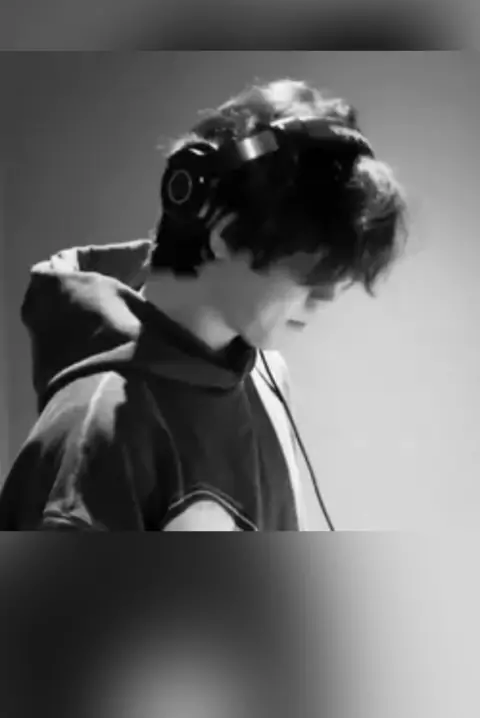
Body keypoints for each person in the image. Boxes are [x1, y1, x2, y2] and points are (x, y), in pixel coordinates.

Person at [0, 78, 408, 530]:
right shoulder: (97, 425)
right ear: (225, 234)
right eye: (312, 274)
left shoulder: (266, 379)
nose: (327, 298)